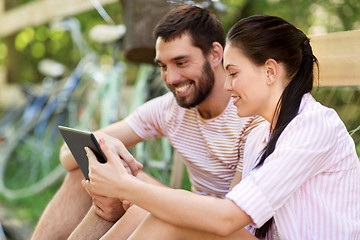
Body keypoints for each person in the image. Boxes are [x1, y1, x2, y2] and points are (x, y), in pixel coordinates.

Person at [84, 15, 360, 239]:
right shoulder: (260, 137)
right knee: (162, 214)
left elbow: (227, 218)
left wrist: (126, 187)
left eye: (234, 73)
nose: (227, 86)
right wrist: (138, 194)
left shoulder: (312, 126)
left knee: (173, 220)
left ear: (270, 71)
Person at [31, 6, 264, 240]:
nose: (171, 78)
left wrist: (126, 191)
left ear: (215, 54)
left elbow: (230, 218)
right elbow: (67, 155)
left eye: (181, 62)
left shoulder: (251, 112)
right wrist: (105, 145)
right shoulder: (169, 108)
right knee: (93, 173)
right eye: (163, 66)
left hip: (232, 227)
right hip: (193, 215)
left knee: (137, 202)